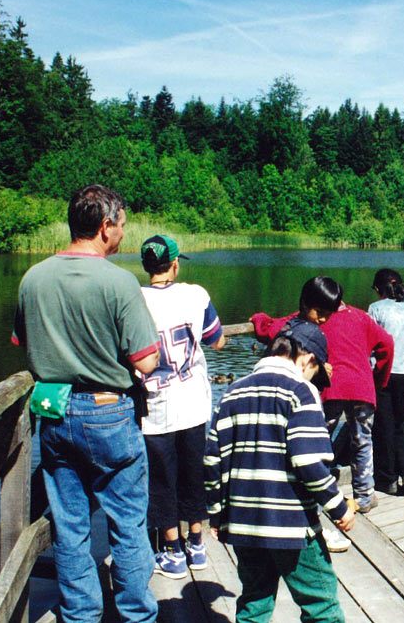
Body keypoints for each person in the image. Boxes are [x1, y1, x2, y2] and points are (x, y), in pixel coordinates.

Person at [11, 185, 160, 622]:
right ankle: (137, 616)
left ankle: (80, 616)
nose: (123, 236)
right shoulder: (119, 281)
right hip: (109, 411)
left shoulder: (33, 277)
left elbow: (20, 341)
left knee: (70, 527)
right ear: (104, 226)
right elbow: (147, 361)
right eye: (122, 227)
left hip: (53, 412)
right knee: (128, 525)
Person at [204, 320, 356, 623]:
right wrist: (338, 507)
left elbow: (212, 462)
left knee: (254, 603)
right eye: (315, 371)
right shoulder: (301, 392)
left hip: (243, 522)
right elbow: (309, 461)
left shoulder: (231, 395)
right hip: (293, 525)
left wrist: (217, 515)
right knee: (321, 605)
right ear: (307, 359)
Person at [250, 277, 393, 514]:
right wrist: (379, 378)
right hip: (362, 388)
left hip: (330, 389)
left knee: (319, 441)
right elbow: (387, 343)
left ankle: (318, 491)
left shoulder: (309, 318)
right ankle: (365, 495)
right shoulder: (361, 317)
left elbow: (273, 330)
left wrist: (258, 319)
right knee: (363, 442)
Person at [138, 234, 227, 579]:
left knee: (162, 479)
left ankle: (172, 551)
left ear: (146, 267)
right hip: (191, 402)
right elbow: (216, 340)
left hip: (154, 405)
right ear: (175, 264)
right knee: (193, 474)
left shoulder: (134, 299)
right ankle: (197, 544)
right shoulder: (195, 294)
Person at [368, 269, 404, 496]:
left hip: (381, 371)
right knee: (402, 421)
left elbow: (369, 340)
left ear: (379, 290)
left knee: (383, 425)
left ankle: (387, 478)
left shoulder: (375, 309)